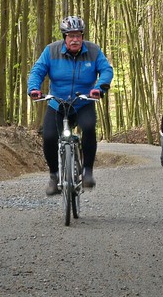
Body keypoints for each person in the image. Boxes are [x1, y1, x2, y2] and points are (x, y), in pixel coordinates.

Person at [28, 16, 114, 195]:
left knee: (89, 127)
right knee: (49, 136)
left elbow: (106, 70)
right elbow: (37, 70)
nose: (75, 40)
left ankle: (87, 171)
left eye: (78, 36)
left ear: (82, 36)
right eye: (71, 36)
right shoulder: (51, 51)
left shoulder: (93, 51)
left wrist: (99, 88)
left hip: (83, 102)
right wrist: (34, 88)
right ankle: (54, 175)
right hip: (57, 103)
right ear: (64, 37)